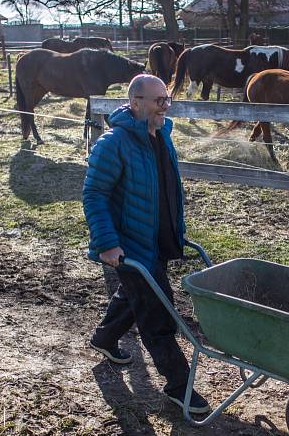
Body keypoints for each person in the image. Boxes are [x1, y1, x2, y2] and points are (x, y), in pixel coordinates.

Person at [82, 74, 211, 414]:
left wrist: (173, 230)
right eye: (158, 101)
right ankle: (179, 385)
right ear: (136, 103)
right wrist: (108, 244)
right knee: (157, 312)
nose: (165, 106)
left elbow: (164, 186)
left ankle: (105, 338)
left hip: (157, 242)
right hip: (131, 245)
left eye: (167, 99)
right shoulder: (113, 144)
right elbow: (94, 195)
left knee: (135, 294)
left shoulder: (162, 135)